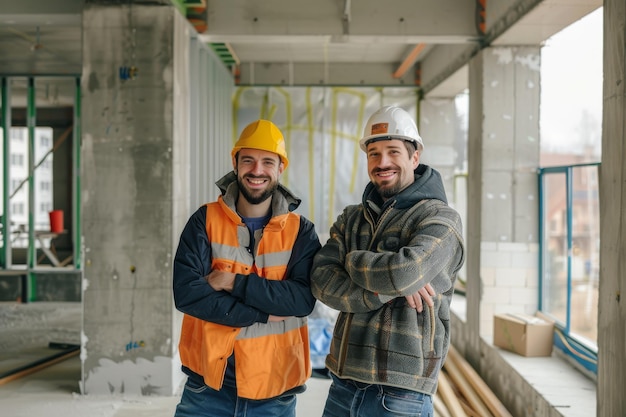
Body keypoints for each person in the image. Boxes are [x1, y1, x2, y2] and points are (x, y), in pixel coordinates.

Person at [310, 105, 465, 417]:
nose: (382, 162)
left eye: (393, 151)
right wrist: (388, 289)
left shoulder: (440, 218)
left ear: (414, 157)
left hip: (401, 393)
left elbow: (404, 271)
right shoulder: (353, 217)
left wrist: (352, 262)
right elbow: (321, 280)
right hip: (343, 382)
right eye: (374, 153)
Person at [172, 119, 321, 417]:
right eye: (248, 160)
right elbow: (188, 294)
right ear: (235, 163)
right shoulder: (204, 221)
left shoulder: (301, 231)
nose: (257, 170)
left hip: (275, 392)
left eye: (268, 161)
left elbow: (301, 300)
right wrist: (264, 312)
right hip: (208, 388)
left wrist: (231, 282)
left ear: (280, 168)